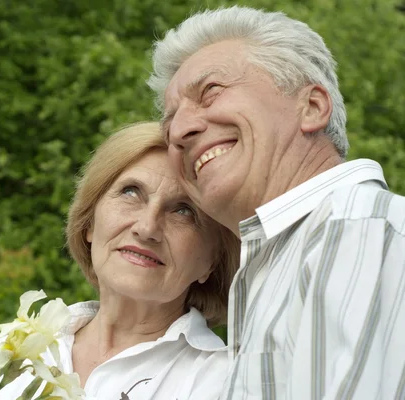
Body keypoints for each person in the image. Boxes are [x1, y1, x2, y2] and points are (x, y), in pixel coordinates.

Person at [148, 5, 405, 399]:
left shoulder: (356, 229)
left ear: (312, 108)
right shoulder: (281, 261)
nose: (180, 130)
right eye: (169, 124)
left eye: (211, 91)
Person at [0, 122, 239, 400]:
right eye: (131, 192)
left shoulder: (227, 382)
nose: (147, 228)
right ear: (89, 225)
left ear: (212, 260)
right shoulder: (7, 355)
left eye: (184, 211)